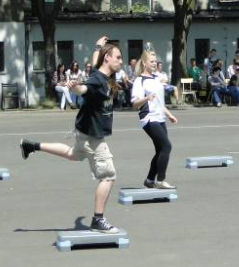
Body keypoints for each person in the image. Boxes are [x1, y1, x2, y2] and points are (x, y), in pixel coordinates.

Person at [19, 36, 122, 233]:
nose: (120, 60)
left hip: (85, 132)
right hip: (93, 136)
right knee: (108, 176)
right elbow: (83, 88)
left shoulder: (102, 73)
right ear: (108, 58)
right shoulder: (97, 80)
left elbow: (94, 61)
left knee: (73, 154)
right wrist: (73, 85)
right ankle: (98, 220)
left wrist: (98, 45)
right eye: (117, 57)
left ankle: (32, 145)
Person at [131, 49, 178, 190]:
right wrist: (146, 98)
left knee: (160, 150)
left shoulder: (156, 79)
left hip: (160, 117)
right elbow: (135, 104)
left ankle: (149, 179)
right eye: (151, 61)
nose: (154, 63)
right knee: (166, 146)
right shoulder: (140, 81)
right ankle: (161, 180)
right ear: (144, 63)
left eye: (155, 61)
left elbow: (158, 102)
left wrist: (169, 114)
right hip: (149, 119)